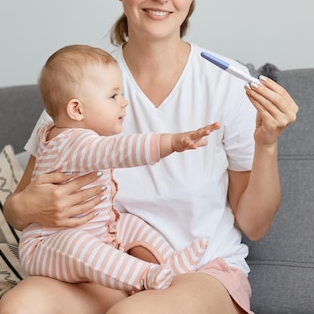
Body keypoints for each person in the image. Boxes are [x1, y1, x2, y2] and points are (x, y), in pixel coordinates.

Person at [0, 0, 298, 314]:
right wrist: (23, 209)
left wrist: (268, 144)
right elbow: (20, 205)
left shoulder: (226, 84)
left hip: (200, 272)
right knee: (22, 304)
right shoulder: (82, 84)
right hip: (110, 267)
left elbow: (255, 225)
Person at [20, 43, 219, 293]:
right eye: (113, 96)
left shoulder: (54, 133)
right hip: (46, 247)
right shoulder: (71, 142)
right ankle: (144, 276)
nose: (124, 103)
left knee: (127, 222)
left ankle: (169, 262)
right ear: (77, 109)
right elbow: (121, 149)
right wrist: (172, 142)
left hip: (98, 233)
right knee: (76, 243)